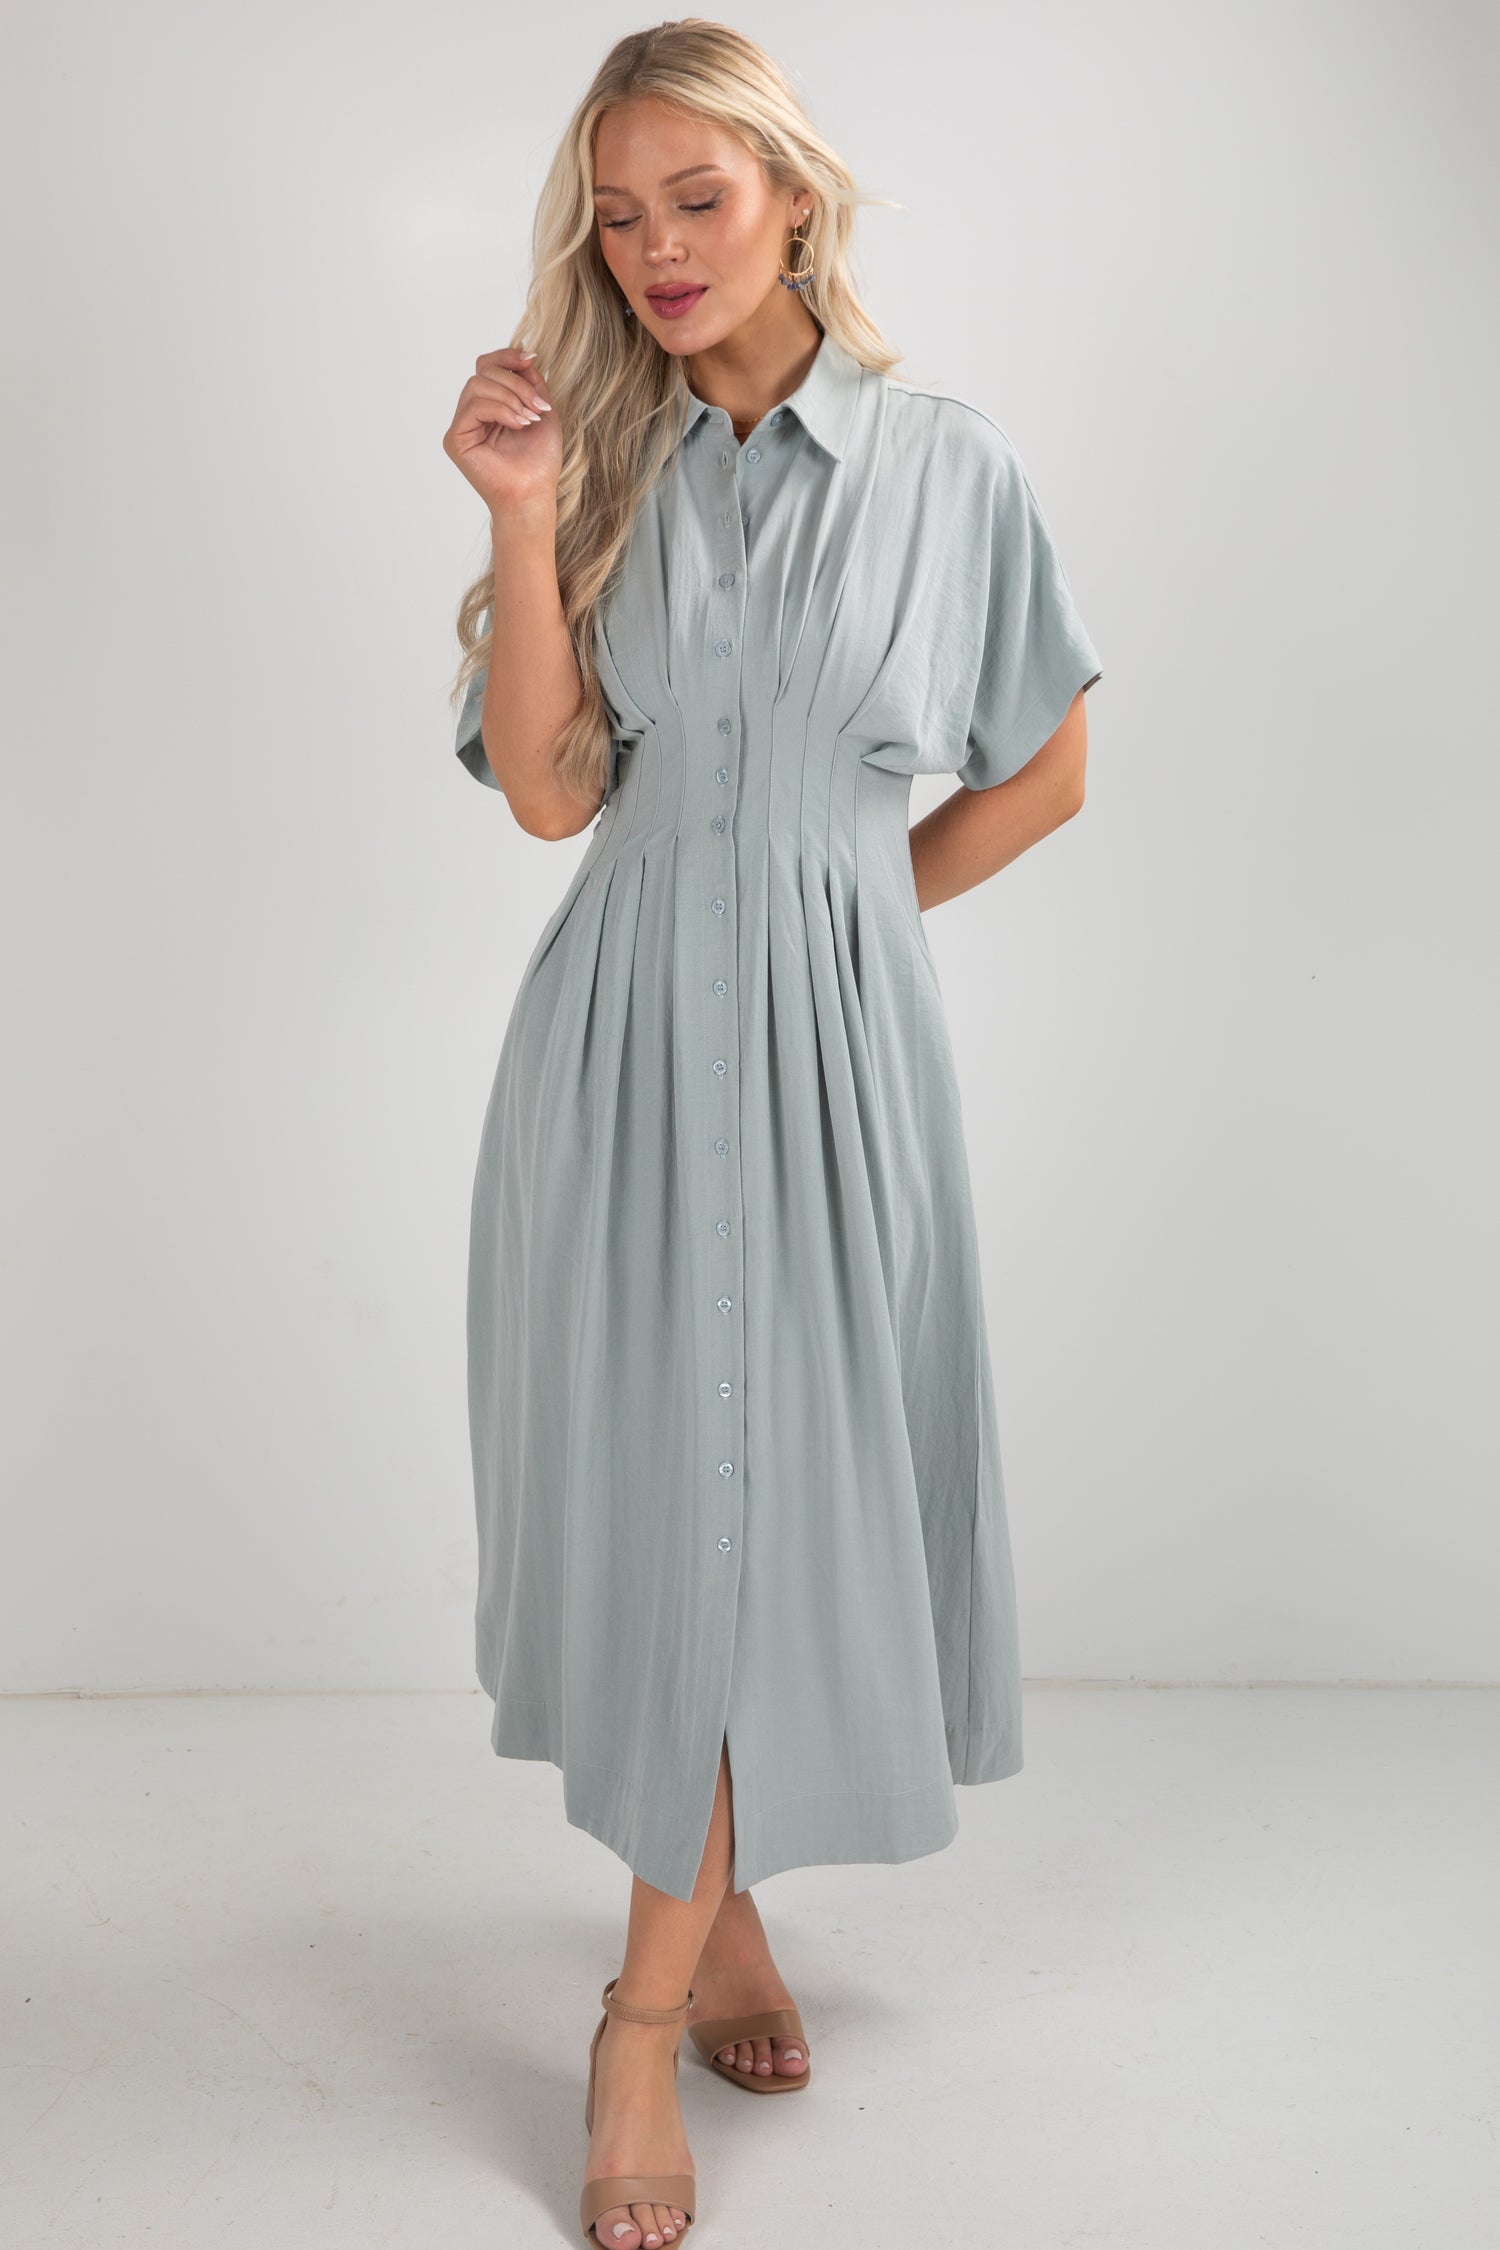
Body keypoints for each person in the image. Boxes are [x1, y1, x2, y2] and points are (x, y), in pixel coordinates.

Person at [440, 22, 1103, 2247]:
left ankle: (647, 2000)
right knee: (671, 1512)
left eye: (697, 201)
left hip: (840, 1071)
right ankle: (688, 1957)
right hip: (617, 1055)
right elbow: (551, 797)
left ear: (795, 198)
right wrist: (522, 515)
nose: (655, 251)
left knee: (774, 1507)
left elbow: (1046, 766)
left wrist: (842, 923)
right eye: (619, 216)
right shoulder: (593, 457)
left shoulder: (946, 469)